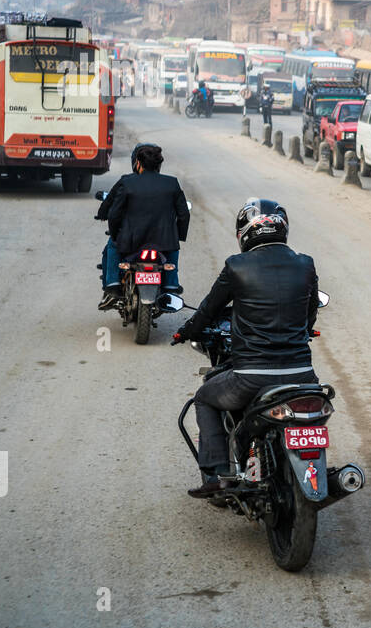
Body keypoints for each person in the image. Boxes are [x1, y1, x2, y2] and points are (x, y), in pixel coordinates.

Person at [172, 199, 319, 497]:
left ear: (244, 233)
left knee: (204, 397)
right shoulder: (305, 264)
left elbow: (208, 310)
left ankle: (216, 474)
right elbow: (309, 314)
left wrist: (185, 332)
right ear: (283, 228)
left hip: (251, 376)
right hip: (304, 375)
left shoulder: (236, 266)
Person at [99, 144, 189, 309]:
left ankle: (112, 283)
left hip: (131, 242)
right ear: (159, 165)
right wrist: (178, 236)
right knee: (173, 250)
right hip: (164, 243)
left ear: (138, 163)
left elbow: (114, 214)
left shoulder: (128, 183)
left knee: (112, 245)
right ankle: (170, 284)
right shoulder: (172, 183)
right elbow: (184, 215)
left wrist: (115, 233)